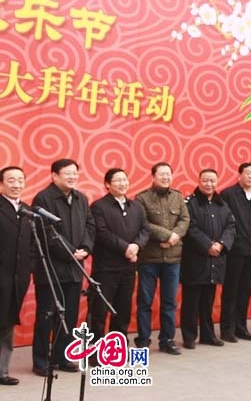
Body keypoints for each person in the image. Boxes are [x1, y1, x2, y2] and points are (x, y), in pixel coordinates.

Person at [31, 158, 94, 376]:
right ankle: (41, 361)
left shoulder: (81, 198)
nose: (72, 176)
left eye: (75, 172)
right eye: (67, 173)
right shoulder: (43, 198)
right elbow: (46, 232)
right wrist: (70, 252)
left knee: (69, 316)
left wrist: (85, 247)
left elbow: (90, 224)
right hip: (51, 270)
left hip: (74, 268)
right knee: (47, 316)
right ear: (54, 176)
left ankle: (63, 357)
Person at [135, 162, 189, 355]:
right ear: (153, 176)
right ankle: (143, 340)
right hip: (149, 257)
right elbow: (143, 223)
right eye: (162, 174)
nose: (166, 177)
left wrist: (174, 236)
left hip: (173, 258)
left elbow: (185, 219)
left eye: (168, 174)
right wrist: (167, 236)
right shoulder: (142, 198)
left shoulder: (178, 196)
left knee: (169, 302)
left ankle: (167, 340)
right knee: (145, 302)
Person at [89, 169, 149, 343]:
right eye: (118, 180)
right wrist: (126, 248)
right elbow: (102, 232)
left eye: (125, 179)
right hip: (105, 269)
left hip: (128, 268)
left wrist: (136, 246)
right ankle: (95, 350)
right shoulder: (99, 206)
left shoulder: (136, 206)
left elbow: (145, 229)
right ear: (107, 184)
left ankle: (117, 349)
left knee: (122, 311)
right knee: (99, 311)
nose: (123, 183)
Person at [181, 169, 235, 349]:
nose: (209, 184)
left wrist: (221, 244)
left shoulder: (222, 204)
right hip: (195, 260)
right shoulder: (190, 202)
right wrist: (207, 246)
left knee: (208, 302)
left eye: (212, 180)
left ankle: (207, 335)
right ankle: (189, 336)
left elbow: (230, 226)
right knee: (191, 301)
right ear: (199, 181)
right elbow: (191, 228)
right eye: (205, 180)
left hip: (215, 261)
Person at [219, 162, 251, 342]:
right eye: (248, 173)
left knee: (245, 290)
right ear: (239, 175)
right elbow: (224, 221)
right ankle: (226, 329)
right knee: (231, 290)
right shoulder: (228, 194)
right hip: (234, 249)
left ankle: (241, 327)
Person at [0, 166, 32, 385]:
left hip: (17, 277)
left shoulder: (27, 210)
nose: (17, 184)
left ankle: (2, 370)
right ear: (1, 184)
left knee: (7, 322)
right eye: (11, 180)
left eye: (20, 180)